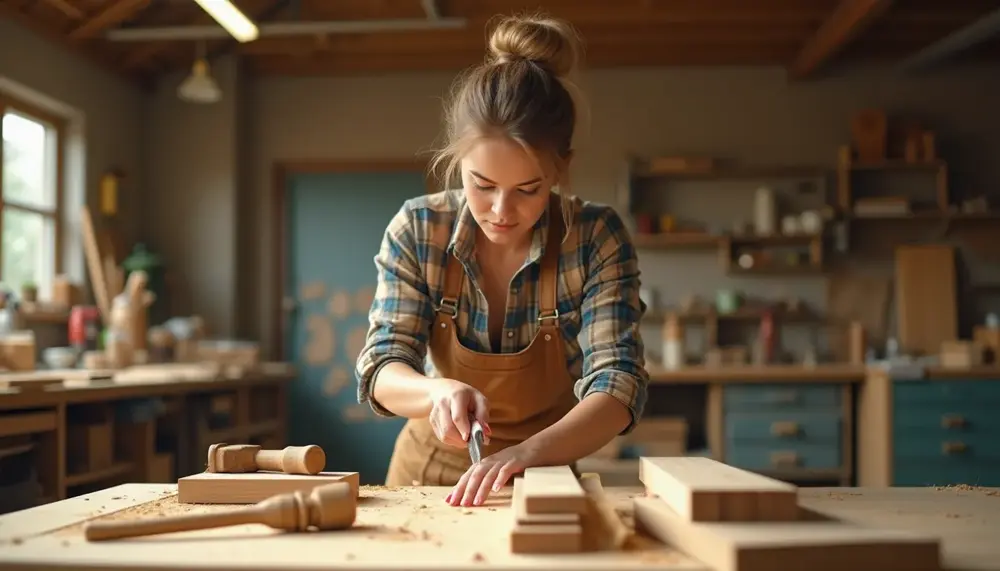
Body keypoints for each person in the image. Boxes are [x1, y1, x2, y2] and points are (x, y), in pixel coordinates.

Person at [354, 13, 649, 508]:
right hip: (427, 473)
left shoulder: (596, 237)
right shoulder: (419, 228)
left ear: (561, 168)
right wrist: (437, 393)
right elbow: (382, 366)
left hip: (544, 470)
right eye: (482, 185)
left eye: (527, 190)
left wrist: (528, 454)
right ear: (457, 161)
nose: (500, 211)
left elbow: (619, 385)